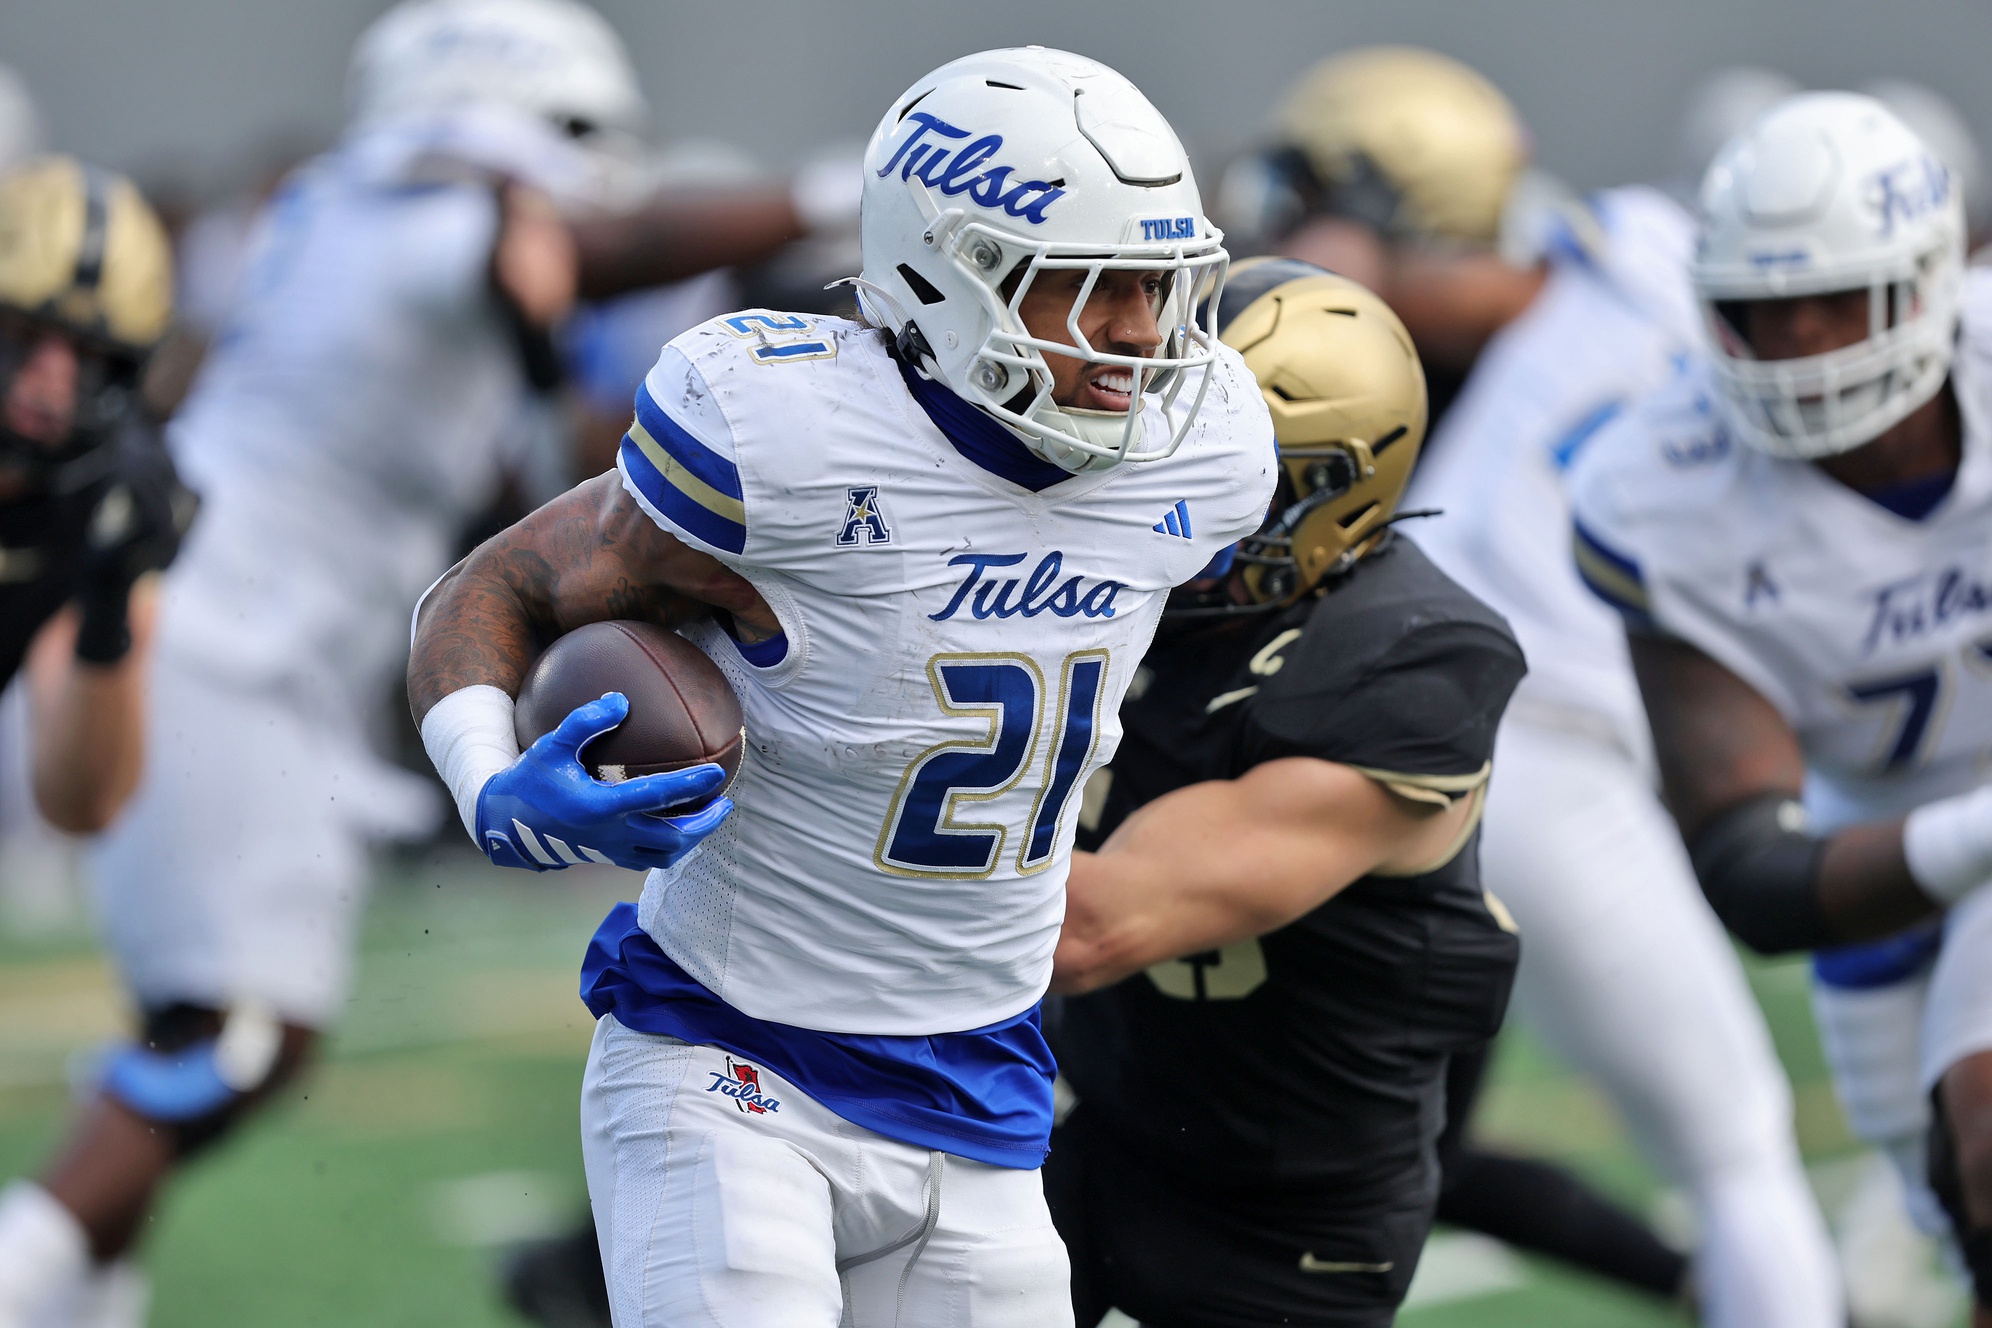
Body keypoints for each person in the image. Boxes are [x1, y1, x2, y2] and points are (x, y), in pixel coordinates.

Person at [0, 1, 849, 1322]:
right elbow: (597, 247)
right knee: (230, 1036)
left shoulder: (351, 215)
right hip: (225, 644)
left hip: (254, 643)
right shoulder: (420, 221)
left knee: (223, 1035)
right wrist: (833, 192)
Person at [407, 46, 1274, 1326]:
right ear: (947, 278)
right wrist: (491, 783)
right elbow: (494, 587)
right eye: (1090, 287)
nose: (1142, 333)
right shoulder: (786, 437)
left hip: (987, 1082)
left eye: (1157, 284)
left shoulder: (1204, 447)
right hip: (732, 1057)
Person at [1395, 60, 1846, 1325]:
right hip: (1541, 745)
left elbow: (1458, 289)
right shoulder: (1763, 330)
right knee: (1738, 1145)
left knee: (1391, 1146)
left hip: (1389, 723)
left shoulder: (1625, 242)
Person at [1568, 91, 1992, 1325]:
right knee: (1969, 1226)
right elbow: (1753, 869)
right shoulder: (1660, 489)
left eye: (1837, 300)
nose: (1801, 340)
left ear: (1929, 280)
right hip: (1878, 851)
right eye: (1762, 308)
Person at [1041, 258, 1520, 1327]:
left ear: (1322, 490)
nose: (1152, 490)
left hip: (1285, 1218)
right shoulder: (1141, 588)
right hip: (1108, 1121)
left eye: (1212, 467)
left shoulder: (1407, 662)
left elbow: (1089, 926)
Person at [0, 155, 193, 1324]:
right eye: (25, 337)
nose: (50, 383)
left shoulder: (114, 495)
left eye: (89, 355)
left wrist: (113, 613)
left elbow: (82, 799)